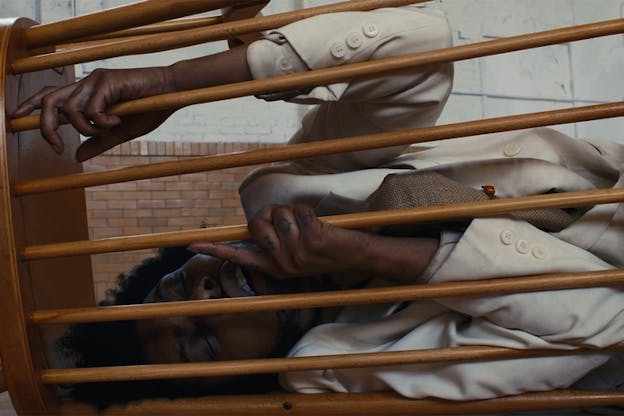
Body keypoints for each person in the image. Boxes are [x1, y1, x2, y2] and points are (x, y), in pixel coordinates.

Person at [12, 2, 624, 409]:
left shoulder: (291, 190)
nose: (203, 298)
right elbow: (603, 320)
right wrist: (376, 253)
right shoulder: (342, 367)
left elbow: (417, 42)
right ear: (248, 373)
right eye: (201, 340)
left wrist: (174, 83)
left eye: (174, 288)